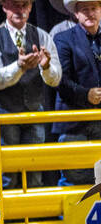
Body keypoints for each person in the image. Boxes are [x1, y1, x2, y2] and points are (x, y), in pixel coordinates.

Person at [0, 0, 60, 189]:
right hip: (4, 113)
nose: (20, 9)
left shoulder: (42, 36)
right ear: (4, 7)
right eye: (14, 4)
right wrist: (19, 66)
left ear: (31, 8)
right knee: (7, 173)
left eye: (24, 4)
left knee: (34, 171)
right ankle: (7, 218)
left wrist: (46, 66)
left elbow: (55, 79)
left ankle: (32, 216)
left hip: (33, 112)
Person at [53, 0, 101, 185]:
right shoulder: (63, 38)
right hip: (73, 121)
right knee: (74, 177)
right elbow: (60, 80)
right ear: (76, 14)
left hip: (98, 118)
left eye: (94, 9)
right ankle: (71, 215)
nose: (90, 13)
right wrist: (85, 94)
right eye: (84, 9)